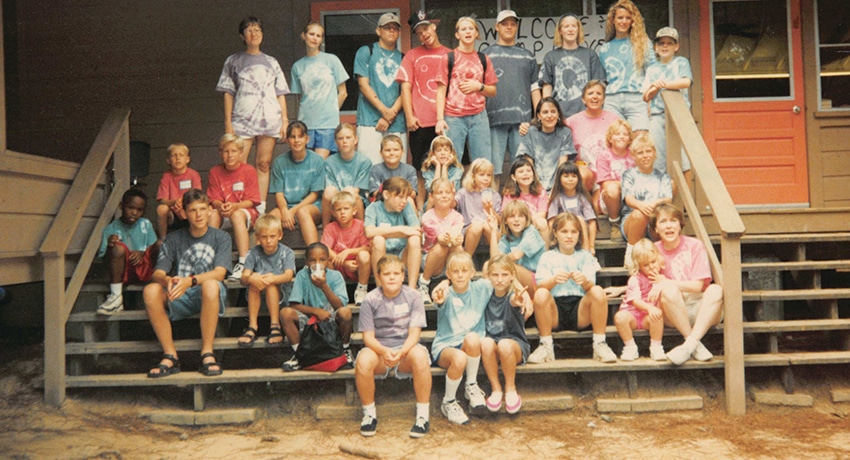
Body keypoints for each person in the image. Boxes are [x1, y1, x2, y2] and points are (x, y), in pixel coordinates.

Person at [143, 189, 231, 378]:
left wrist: (190, 281)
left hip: (211, 295)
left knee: (210, 285)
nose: (199, 215)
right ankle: (170, 355)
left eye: (203, 209)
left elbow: (220, 273)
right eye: (193, 210)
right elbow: (157, 273)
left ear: (210, 211)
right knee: (151, 290)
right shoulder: (173, 239)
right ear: (184, 213)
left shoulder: (221, 237)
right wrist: (168, 280)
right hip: (181, 294)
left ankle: (207, 353)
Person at [355, 255, 432, 438]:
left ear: (403, 276)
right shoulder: (370, 300)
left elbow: (414, 333)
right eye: (386, 274)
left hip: (406, 351)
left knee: (420, 356)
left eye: (396, 273)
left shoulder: (413, 296)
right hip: (379, 352)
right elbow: (368, 337)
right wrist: (384, 351)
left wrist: (401, 352)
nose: (391, 277)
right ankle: (369, 415)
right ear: (378, 277)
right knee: (363, 360)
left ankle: (422, 416)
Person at [216, 16, 289, 206]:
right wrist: (228, 122)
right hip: (242, 120)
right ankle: (240, 206)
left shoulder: (272, 62)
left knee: (263, 164)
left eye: (257, 30)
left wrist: (285, 120)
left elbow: (280, 93)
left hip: (270, 119)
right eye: (248, 30)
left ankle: (260, 207)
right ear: (242, 36)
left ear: (262, 34)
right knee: (240, 164)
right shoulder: (233, 61)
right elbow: (228, 93)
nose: (253, 34)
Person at [529, 212, 616, 364]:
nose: (569, 236)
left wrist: (584, 281)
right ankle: (545, 345)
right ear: (555, 233)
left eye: (573, 232)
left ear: (579, 235)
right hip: (555, 310)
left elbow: (591, 285)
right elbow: (540, 285)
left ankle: (600, 344)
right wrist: (553, 280)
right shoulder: (547, 257)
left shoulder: (585, 256)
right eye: (564, 231)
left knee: (597, 291)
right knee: (541, 294)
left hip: (579, 309)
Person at [651, 204, 723, 365]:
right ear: (656, 228)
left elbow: (698, 286)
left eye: (673, 220)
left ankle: (689, 345)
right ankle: (694, 343)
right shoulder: (653, 250)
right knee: (669, 291)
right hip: (673, 312)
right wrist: (621, 289)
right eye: (663, 221)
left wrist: (667, 282)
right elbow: (643, 280)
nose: (668, 226)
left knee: (716, 290)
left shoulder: (695, 246)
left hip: (701, 310)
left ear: (680, 225)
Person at [430, 252, 491, 424]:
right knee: (459, 358)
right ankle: (448, 402)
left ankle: (471, 385)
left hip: (469, 344)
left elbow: (503, 272)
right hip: (446, 346)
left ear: (472, 272)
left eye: (464, 270)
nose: (460, 275)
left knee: (473, 338)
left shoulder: (482, 287)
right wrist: (442, 288)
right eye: (455, 271)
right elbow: (439, 299)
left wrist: (524, 296)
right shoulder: (445, 292)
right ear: (448, 274)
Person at [397, 11, 450, 203]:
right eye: (419, 32)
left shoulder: (450, 54)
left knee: (448, 165)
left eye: (426, 28)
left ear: (434, 27)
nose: (424, 34)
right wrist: (409, 116)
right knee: (420, 168)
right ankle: (420, 209)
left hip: (445, 120)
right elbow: (405, 87)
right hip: (420, 121)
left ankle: (447, 207)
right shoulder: (412, 55)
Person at [482, 10, 541, 185]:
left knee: (522, 169)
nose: (509, 27)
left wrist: (538, 117)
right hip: (493, 119)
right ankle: (492, 200)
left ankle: (521, 201)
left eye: (512, 24)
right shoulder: (486, 55)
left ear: (516, 27)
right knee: (492, 169)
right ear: (497, 27)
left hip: (522, 122)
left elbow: (534, 88)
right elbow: (480, 88)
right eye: (505, 24)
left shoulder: (527, 56)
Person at [435, 16, 498, 166]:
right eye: (463, 29)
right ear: (457, 35)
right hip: (453, 118)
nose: (468, 32)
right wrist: (440, 119)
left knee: (482, 163)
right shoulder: (448, 58)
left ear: (476, 33)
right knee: (451, 163)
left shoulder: (484, 59)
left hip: (479, 117)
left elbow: (493, 91)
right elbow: (440, 92)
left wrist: (479, 86)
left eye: (471, 28)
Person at [280, 242, 352, 371]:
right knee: (285, 313)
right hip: (310, 322)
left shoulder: (336, 276)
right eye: (312, 260)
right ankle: (299, 355)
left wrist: (324, 286)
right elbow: (294, 305)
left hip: (331, 320)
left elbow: (340, 306)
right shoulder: (302, 275)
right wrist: (315, 311)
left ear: (328, 261)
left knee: (345, 312)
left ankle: (345, 350)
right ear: (306, 262)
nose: (317, 264)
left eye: (322, 260)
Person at [481, 255, 533, 414]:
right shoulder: (484, 294)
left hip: (514, 346)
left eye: (504, 275)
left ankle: (510, 388)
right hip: (492, 346)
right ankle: (496, 388)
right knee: (485, 342)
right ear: (488, 276)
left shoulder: (514, 295)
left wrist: (518, 300)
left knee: (504, 344)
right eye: (495, 275)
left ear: (512, 276)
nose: (499, 280)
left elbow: (514, 301)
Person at [354, 12, 407, 164]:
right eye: (387, 27)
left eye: (395, 28)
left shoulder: (404, 58)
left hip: (396, 123)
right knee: (370, 168)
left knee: (397, 170)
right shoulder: (366, 51)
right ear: (378, 31)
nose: (391, 31)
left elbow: (405, 91)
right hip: (369, 121)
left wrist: (391, 114)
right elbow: (363, 84)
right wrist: (384, 112)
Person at [207, 133, 262, 281]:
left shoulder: (248, 170)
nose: (230, 155)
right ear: (221, 153)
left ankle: (243, 262)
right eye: (226, 151)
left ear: (241, 153)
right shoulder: (215, 172)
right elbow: (213, 199)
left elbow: (252, 200)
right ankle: (209, 259)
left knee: (236, 215)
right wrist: (221, 206)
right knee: (212, 214)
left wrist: (235, 206)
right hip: (224, 211)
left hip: (245, 211)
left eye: (234, 151)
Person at [96, 189, 160, 315]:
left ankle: (163, 285)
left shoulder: (146, 224)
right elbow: (104, 260)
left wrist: (142, 253)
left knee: (160, 244)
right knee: (118, 247)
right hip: (123, 271)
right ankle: (116, 297)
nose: (134, 213)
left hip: (144, 269)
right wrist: (110, 247)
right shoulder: (111, 229)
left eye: (139, 210)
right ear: (121, 206)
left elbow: (153, 248)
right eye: (130, 207)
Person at [291, 22, 349, 159]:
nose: (315, 38)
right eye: (311, 34)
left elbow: (343, 92)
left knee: (318, 162)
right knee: (306, 163)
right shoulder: (297, 66)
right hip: (305, 123)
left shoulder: (331, 60)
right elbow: (300, 97)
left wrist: (331, 109)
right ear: (304, 36)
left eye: (318, 35)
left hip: (327, 123)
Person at [643, 26, 693, 179]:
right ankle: (663, 193)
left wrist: (663, 85)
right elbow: (646, 95)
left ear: (676, 47)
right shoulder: (652, 69)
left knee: (684, 160)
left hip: (679, 116)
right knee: (658, 158)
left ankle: (685, 195)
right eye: (661, 43)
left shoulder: (681, 62)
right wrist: (653, 89)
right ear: (655, 48)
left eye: (669, 43)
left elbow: (686, 82)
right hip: (657, 115)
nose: (665, 46)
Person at [597, 0, 656, 132]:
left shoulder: (643, 43)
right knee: (616, 139)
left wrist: (651, 99)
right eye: (620, 17)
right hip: (612, 100)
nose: (624, 21)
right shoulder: (605, 49)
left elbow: (653, 72)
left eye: (628, 18)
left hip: (637, 98)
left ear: (633, 21)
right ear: (613, 20)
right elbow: (602, 80)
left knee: (640, 138)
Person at [238, 213, 296, 347]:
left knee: (270, 285)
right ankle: (252, 326)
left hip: (282, 296)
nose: (268, 241)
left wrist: (272, 278)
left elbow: (288, 275)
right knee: (254, 283)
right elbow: (243, 278)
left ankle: (275, 325)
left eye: (272, 236)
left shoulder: (287, 253)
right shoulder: (253, 253)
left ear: (280, 235)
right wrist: (251, 277)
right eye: (264, 237)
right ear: (257, 238)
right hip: (258, 297)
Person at [364, 177, 425, 301]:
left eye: (406, 197)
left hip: (402, 256)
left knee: (414, 239)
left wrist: (386, 232)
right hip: (382, 256)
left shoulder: (406, 206)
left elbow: (416, 230)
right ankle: (380, 290)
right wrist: (401, 230)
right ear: (386, 194)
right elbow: (369, 232)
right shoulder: (373, 208)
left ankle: (412, 289)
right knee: (378, 240)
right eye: (400, 197)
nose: (404, 201)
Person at [540, 13, 607, 120]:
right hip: (559, 115)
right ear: (560, 31)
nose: (570, 29)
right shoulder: (550, 57)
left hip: (586, 114)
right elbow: (547, 87)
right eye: (566, 26)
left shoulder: (590, 55)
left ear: (578, 30)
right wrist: (548, 111)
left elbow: (599, 85)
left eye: (574, 26)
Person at [269, 121, 325, 246]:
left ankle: (315, 253)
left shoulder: (317, 161)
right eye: (292, 137)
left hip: (312, 206)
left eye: (300, 136)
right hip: (287, 206)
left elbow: (314, 195)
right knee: (270, 219)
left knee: (303, 212)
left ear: (307, 139)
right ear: (287, 140)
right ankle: (264, 256)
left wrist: (293, 211)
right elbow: (279, 193)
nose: (297, 140)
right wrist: (285, 211)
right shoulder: (279, 162)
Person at [621, 133, 673, 266]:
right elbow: (628, 198)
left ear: (654, 153)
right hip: (633, 222)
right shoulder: (629, 174)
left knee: (663, 219)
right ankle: (631, 255)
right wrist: (642, 206)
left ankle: (665, 255)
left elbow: (668, 198)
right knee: (639, 214)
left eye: (648, 151)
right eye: (640, 153)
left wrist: (654, 203)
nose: (645, 156)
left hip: (655, 221)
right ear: (633, 156)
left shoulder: (662, 176)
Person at [614, 238, 666, 361]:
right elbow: (634, 300)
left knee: (658, 316)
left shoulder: (662, 277)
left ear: (658, 259)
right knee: (620, 317)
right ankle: (630, 347)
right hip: (632, 315)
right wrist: (650, 308)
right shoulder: (635, 279)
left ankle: (656, 347)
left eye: (653, 261)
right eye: (645, 265)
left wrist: (660, 284)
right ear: (639, 266)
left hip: (648, 317)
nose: (651, 267)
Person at [565, 80, 622, 193]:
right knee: (581, 175)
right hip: (584, 171)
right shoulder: (571, 122)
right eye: (590, 93)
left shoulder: (614, 119)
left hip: (608, 170)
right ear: (583, 99)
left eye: (599, 94)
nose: (595, 97)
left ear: (604, 99)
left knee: (604, 199)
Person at [321, 191, 371, 306]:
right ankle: (334, 293)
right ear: (333, 213)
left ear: (354, 210)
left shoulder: (361, 225)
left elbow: (368, 248)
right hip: (339, 265)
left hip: (357, 266)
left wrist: (348, 252)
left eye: (346, 209)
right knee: (326, 260)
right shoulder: (330, 228)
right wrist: (344, 263)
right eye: (338, 210)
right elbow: (325, 248)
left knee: (364, 255)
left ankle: (362, 289)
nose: (342, 212)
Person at [516, 97, 576, 191]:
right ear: (539, 116)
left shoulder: (565, 132)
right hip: (533, 184)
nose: (549, 115)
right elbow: (529, 165)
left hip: (558, 185)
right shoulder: (530, 132)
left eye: (553, 111)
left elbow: (562, 165)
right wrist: (539, 190)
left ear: (558, 114)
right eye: (545, 112)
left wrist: (554, 191)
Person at [419, 177, 464, 302]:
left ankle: (461, 285)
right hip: (431, 260)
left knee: (458, 248)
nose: (444, 196)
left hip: (449, 262)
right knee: (441, 247)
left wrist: (458, 239)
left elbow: (456, 234)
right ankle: (424, 283)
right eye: (439, 193)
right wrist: (450, 238)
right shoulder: (427, 217)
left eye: (447, 192)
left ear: (453, 195)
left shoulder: (457, 217)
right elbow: (439, 238)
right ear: (431, 196)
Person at [489, 200, 545, 298]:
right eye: (512, 216)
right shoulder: (506, 238)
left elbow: (516, 255)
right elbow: (494, 260)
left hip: (537, 280)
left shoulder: (531, 232)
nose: (516, 220)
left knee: (509, 268)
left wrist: (500, 260)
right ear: (505, 221)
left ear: (526, 219)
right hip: (516, 279)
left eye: (520, 216)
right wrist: (493, 231)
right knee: (488, 266)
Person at [322, 123, 372, 227]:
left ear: (355, 140)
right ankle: (326, 228)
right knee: (328, 191)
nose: (344, 141)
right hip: (336, 200)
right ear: (336, 142)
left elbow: (356, 190)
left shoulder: (364, 161)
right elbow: (330, 189)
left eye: (348, 138)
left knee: (350, 190)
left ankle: (361, 229)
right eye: (340, 138)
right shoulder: (329, 162)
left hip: (356, 201)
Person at [594, 119, 635, 242]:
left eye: (625, 134)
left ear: (629, 139)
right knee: (612, 188)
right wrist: (627, 184)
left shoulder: (634, 155)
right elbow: (606, 184)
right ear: (610, 138)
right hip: (610, 199)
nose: (621, 137)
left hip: (631, 196)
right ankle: (615, 224)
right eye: (617, 134)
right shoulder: (604, 156)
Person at [547, 161, 597, 255]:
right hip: (564, 232)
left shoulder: (582, 197)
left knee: (579, 219)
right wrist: (554, 238)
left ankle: (586, 253)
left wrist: (591, 246)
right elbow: (552, 221)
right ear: (559, 179)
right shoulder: (557, 198)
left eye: (574, 176)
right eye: (566, 176)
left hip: (580, 232)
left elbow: (592, 222)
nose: (570, 179)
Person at [455, 158, 502, 255]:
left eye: (489, 175)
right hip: (470, 230)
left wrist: (490, 210)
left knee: (488, 226)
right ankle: (466, 258)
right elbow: (452, 204)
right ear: (473, 176)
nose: (486, 178)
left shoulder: (494, 195)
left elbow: (500, 222)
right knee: (477, 225)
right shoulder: (463, 193)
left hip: (490, 231)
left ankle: (497, 259)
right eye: (482, 175)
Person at [155, 143, 201, 239]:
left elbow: (198, 196)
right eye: (174, 155)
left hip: (190, 211)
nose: (178, 158)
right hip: (173, 214)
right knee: (161, 209)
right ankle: (163, 239)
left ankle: (200, 238)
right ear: (168, 160)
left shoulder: (193, 174)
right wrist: (175, 202)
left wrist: (184, 203)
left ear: (187, 159)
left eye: (181, 155)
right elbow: (163, 200)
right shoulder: (166, 176)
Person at [501, 156, 549, 242]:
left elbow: (542, 214)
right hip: (515, 226)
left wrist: (526, 223)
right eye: (521, 171)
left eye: (528, 171)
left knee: (542, 222)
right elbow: (506, 214)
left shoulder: (540, 191)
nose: (525, 174)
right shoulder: (509, 193)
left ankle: (545, 250)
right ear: (513, 177)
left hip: (533, 226)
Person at [369, 134, 419, 205]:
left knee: (410, 200)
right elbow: (374, 192)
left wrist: (397, 197)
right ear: (381, 153)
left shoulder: (410, 170)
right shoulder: (376, 169)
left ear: (402, 152)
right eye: (387, 150)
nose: (392, 153)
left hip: (403, 202)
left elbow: (413, 193)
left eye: (396, 150)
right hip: (383, 201)